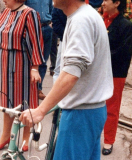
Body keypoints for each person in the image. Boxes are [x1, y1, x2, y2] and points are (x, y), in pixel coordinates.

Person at [20, 0, 114, 160]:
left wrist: (40, 111)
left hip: (81, 115)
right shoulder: (86, 15)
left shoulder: (81, 20)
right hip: (90, 112)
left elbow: (71, 73)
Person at [0, 0, 44, 152]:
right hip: (4, 61)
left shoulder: (30, 14)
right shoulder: (5, 11)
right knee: (6, 101)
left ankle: (26, 137)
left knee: (25, 101)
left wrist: (35, 68)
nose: (3, 0)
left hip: (22, 62)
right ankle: (6, 135)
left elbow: (36, 42)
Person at [101, 0, 132, 155]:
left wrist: (101, 58)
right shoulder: (101, 20)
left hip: (115, 72)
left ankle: (108, 141)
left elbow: (124, 53)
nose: (102, 2)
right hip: (98, 71)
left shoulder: (125, 25)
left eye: (106, 0)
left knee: (111, 108)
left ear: (117, 3)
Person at [25, 0, 53, 100]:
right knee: (32, 60)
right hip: (33, 29)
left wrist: (50, 22)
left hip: (46, 28)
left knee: (44, 61)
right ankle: (30, 88)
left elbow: (51, 8)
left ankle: (38, 89)